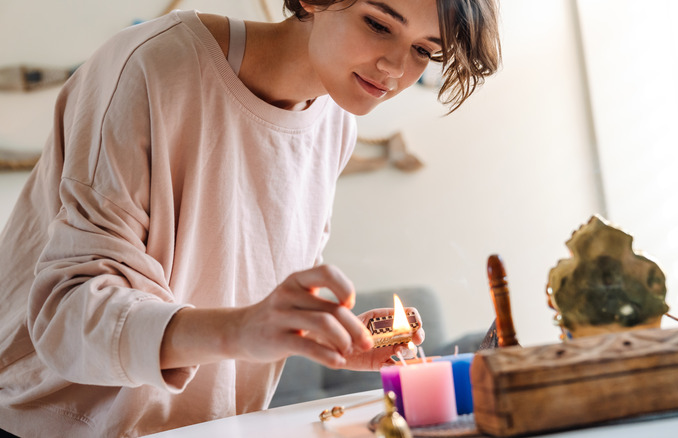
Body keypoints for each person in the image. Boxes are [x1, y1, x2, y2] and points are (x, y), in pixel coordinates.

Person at [0, 0, 501, 436]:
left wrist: (318, 334)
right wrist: (242, 329)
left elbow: (239, 288)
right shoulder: (150, 67)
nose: (395, 66)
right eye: (378, 24)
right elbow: (66, 314)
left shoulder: (335, 123)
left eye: (423, 50)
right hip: (49, 424)